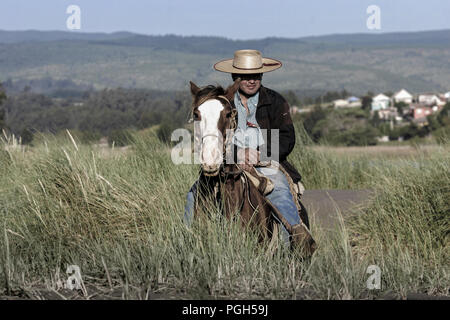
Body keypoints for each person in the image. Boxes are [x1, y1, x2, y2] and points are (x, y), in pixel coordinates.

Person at [185, 49, 308, 247]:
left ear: (261, 75)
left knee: (281, 193)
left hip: (267, 162)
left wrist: (260, 153)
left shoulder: (275, 101)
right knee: (194, 195)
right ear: (235, 77)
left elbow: (287, 138)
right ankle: (188, 245)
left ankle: (294, 244)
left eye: (256, 76)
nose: (251, 81)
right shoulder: (222, 103)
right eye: (246, 77)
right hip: (229, 162)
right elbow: (213, 136)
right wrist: (236, 153)